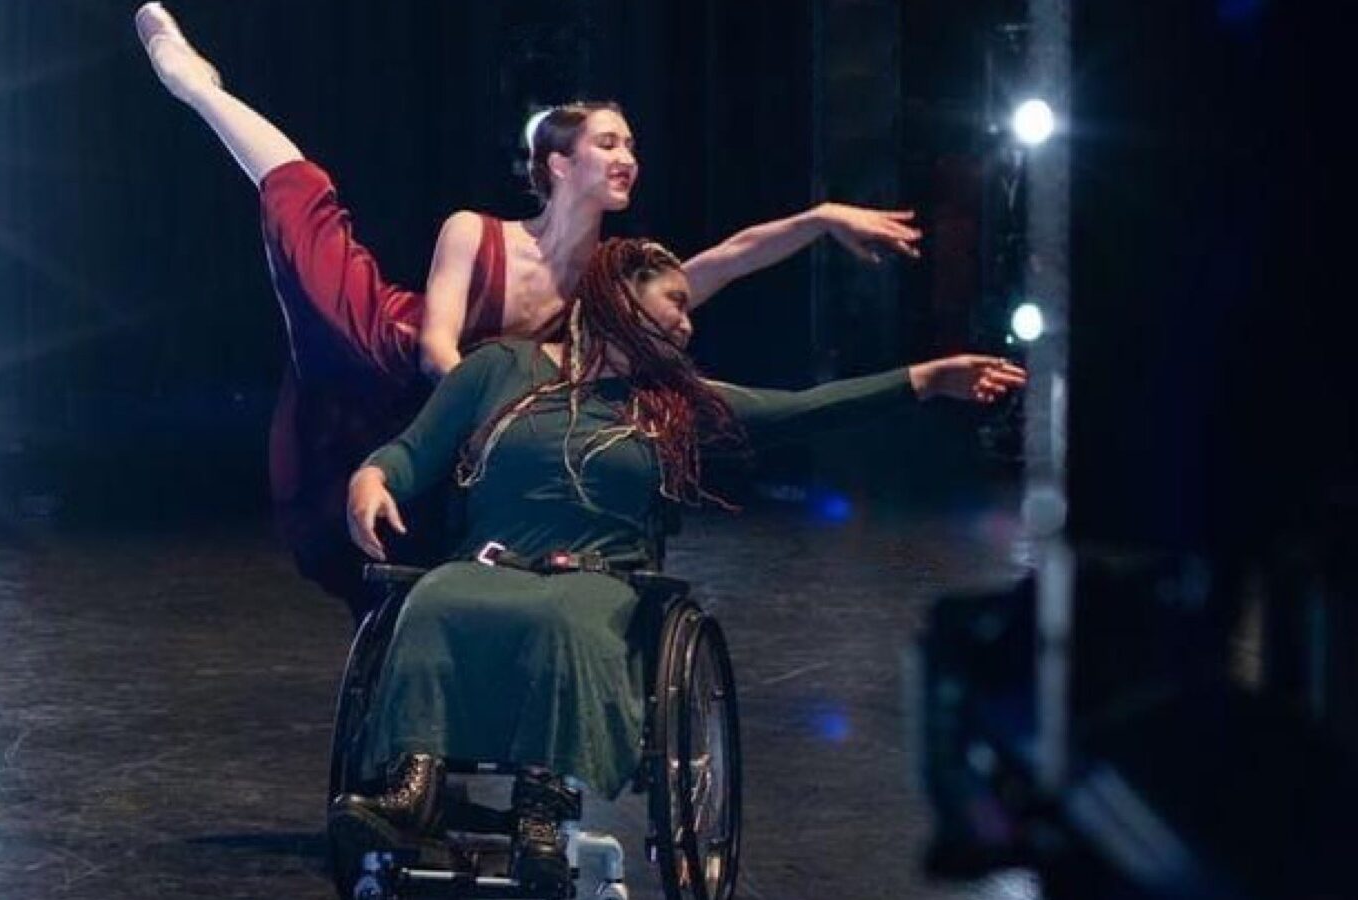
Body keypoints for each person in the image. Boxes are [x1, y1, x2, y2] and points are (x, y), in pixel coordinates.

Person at [135, 3, 926, 615]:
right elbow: (440, 347)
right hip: (396, 352)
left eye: (632, 146)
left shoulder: (615, 282)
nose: (628, 158)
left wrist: (822, 218)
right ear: (558, 162)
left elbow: (724, 260)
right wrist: (484, 423)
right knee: (306, 208)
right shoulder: (474, 233)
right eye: (610, 144)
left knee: (414, 575)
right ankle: (198, 87)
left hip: (484, 424)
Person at [335, 238, 1026, 889]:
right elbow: (412, 449)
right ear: (621, 299)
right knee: (434, 599)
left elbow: (804, 409)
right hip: (490, 564)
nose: (688, 326)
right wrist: (373, 480)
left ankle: (541, 807)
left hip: (599, 578)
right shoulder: (499, 368)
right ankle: (412, 788)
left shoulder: (674, 407)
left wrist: (925, 379)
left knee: (567, 620)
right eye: (676, 303)